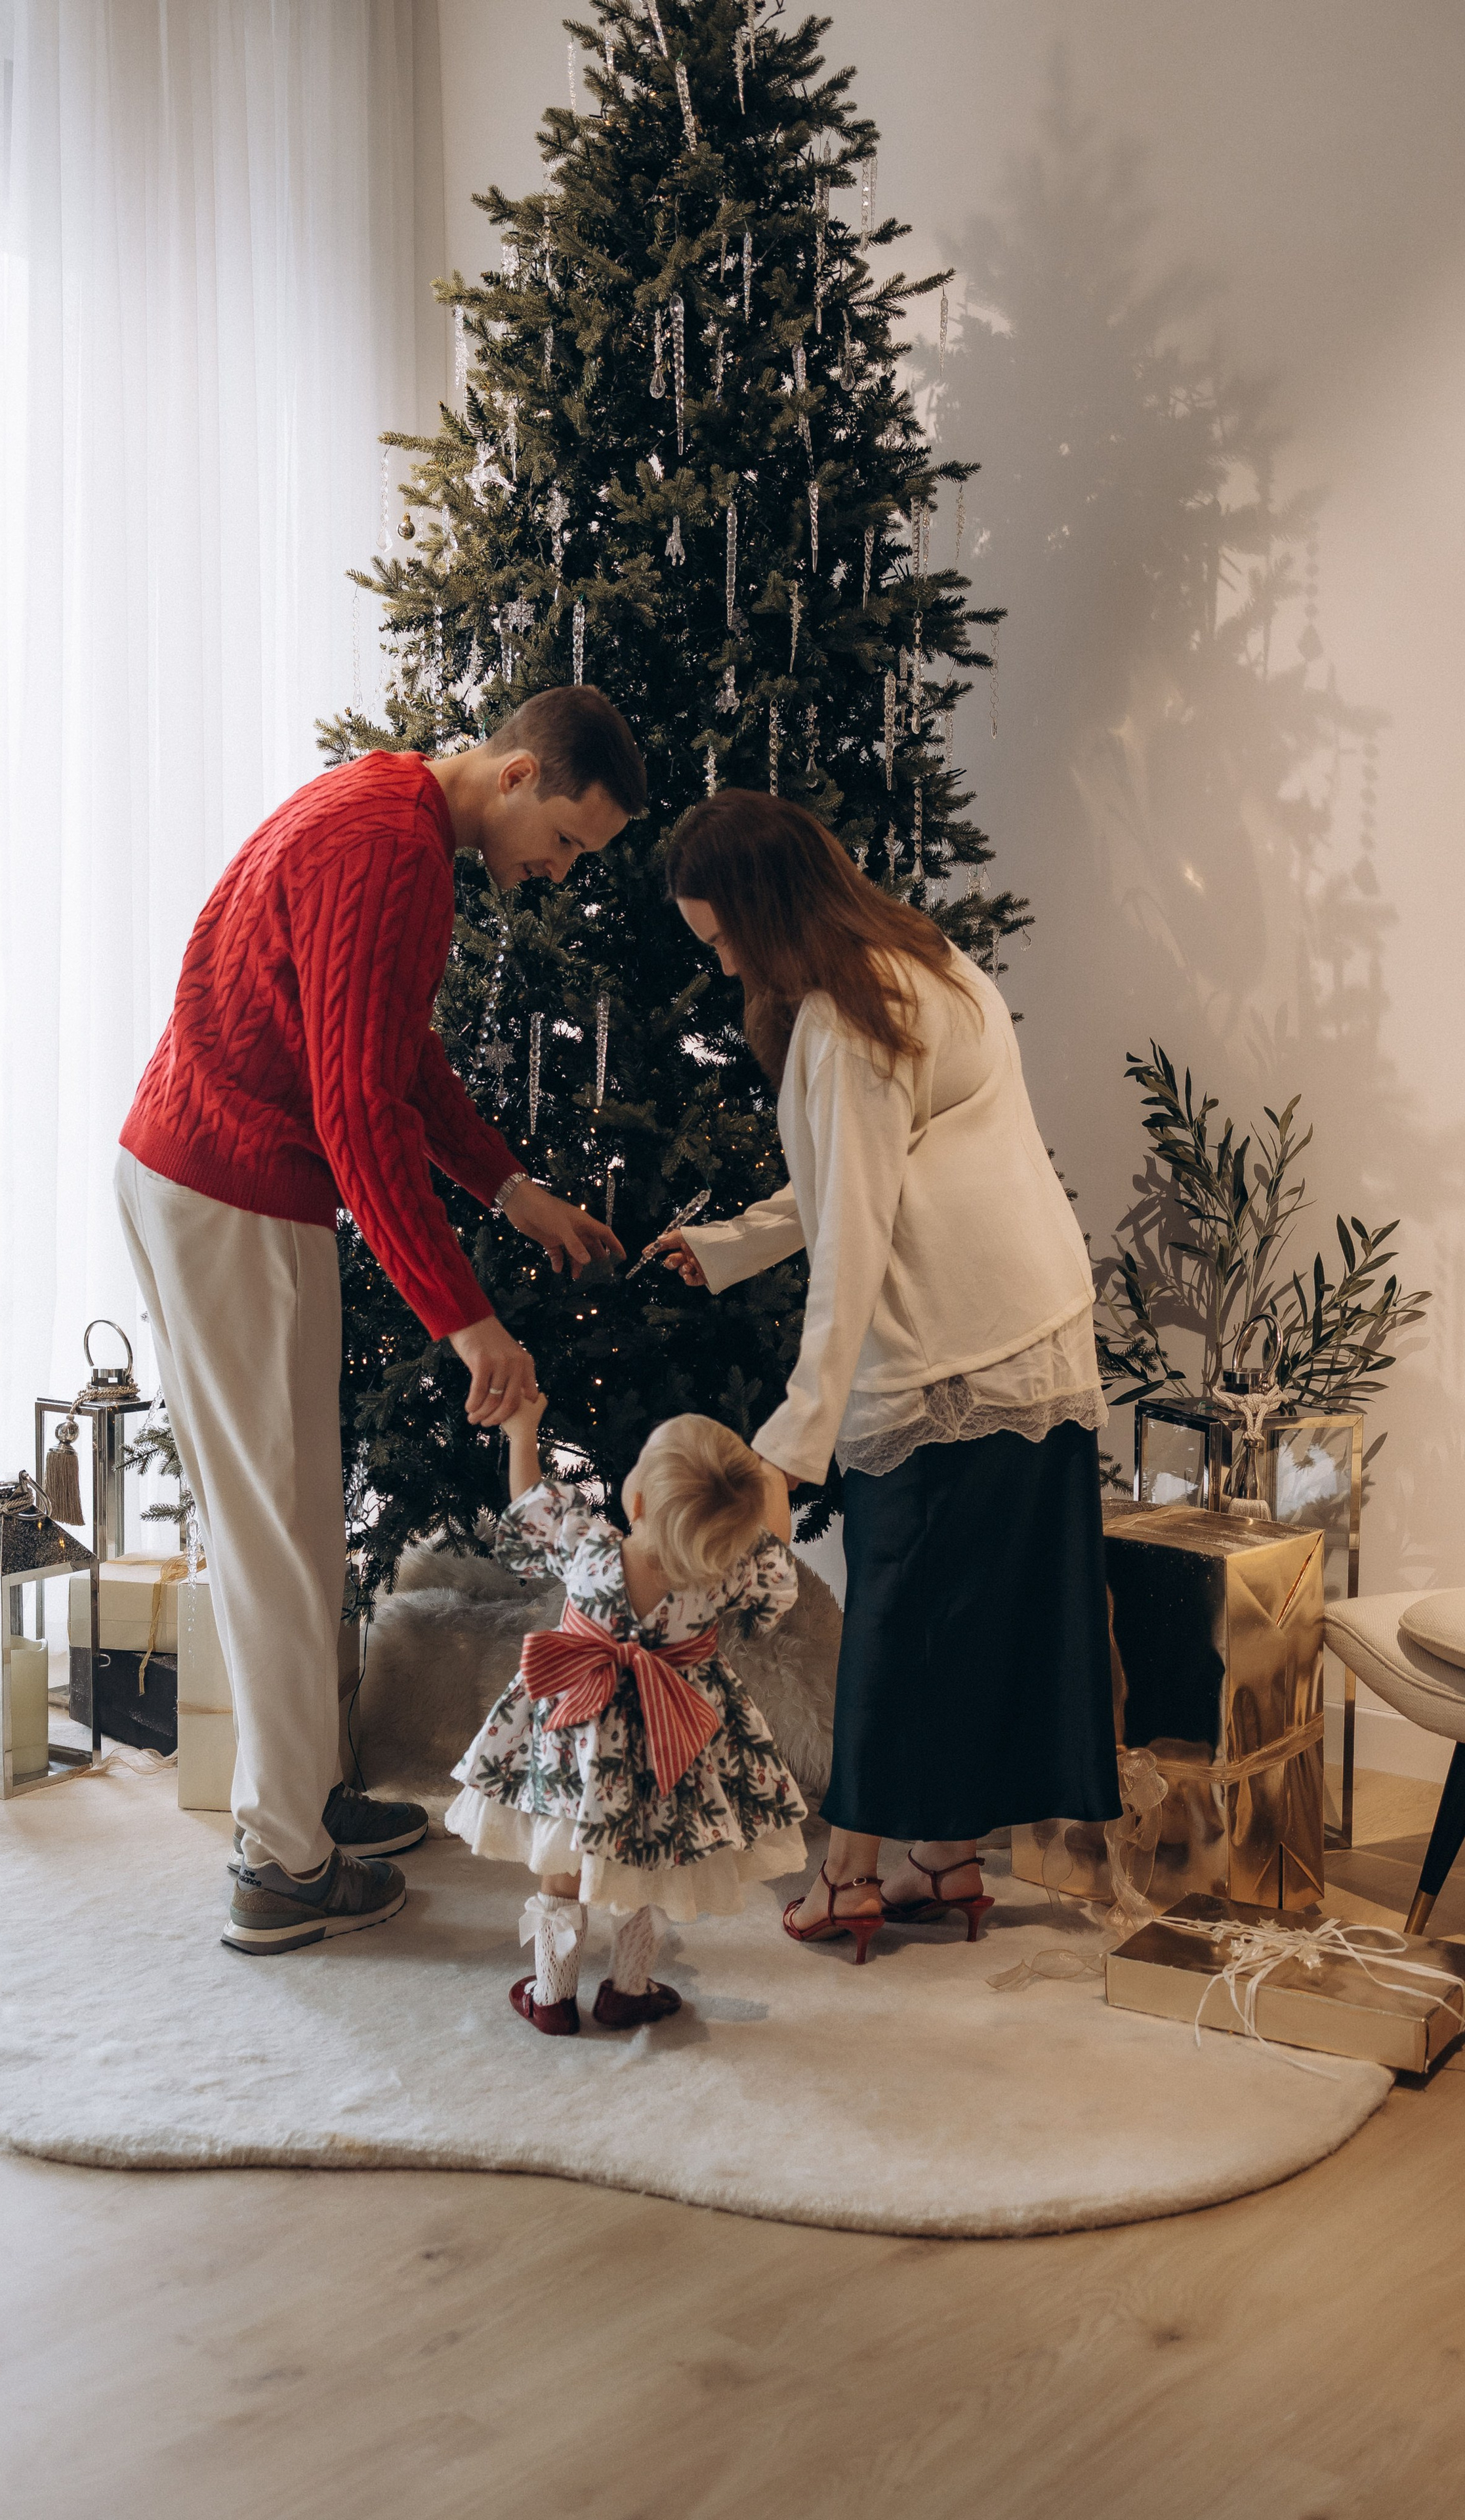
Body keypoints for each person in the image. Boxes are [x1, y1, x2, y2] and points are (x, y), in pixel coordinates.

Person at [115, 688, 644, 1952]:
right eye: (568, 842)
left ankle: (303, 1801)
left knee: (299, 1519)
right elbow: (358, 1115)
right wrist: (469, 1325)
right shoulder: (389, 848)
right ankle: (282, 1865)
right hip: (226, 1187)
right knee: (272, 1537)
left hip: (228, 1182)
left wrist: (509, 1191)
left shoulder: (394, 813)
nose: (558, 874)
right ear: (518, 776)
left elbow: (395, 1057)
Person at [650, 793, 1120, 1962]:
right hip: (1037, 1328)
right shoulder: (918, 956)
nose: (718, 965)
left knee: (902, 1615)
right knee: (979, 1614)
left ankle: (852, 1874)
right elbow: (861, 1175)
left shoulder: (848, 1027)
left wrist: (794, 1443)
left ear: (761, 910)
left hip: (947, 1343)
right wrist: (730, 1246)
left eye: (718, 938)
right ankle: (946, 1857)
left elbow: (854, 1239)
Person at [446, 1393, 809, 2034]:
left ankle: (552, 1997)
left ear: (635, 1501)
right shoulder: (726, 1570)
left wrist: (523, 1432)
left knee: (559, 1866)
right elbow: (775, 1555)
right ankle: (628, 1990)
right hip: (671, 1744)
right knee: (648, 1866)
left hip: (573, 1739)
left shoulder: (588, 1545)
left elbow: (530, 1506)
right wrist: (774, 1477)